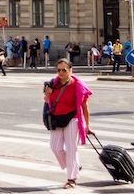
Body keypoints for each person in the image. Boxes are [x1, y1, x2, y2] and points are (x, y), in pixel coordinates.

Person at [44, 59, 92, 189]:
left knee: (71, 149)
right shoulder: (52, 84)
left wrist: (87, 125)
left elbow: (85, 107)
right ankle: (75, 166)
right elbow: (47, 102)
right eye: (58, 70)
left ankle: (72, 179)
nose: (61, 73)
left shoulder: (78, 85)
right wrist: (47, 94)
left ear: (70, 70)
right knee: (55, 147)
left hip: (72, 118)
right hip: (56, 119)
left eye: (64, 70)